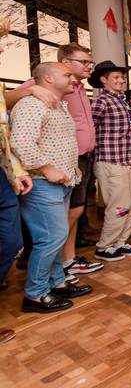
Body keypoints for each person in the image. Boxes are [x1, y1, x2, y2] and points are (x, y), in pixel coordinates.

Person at [7, 43, 103, 278]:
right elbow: (6, 102)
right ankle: (48, 275)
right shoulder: (41, 85)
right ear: (65, 63)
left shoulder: (76, 88)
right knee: (55, 230)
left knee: (75, 212)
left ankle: (64, 266)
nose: (89, 66)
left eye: (90, 62)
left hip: (75, 161)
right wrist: (31, 90)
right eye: (84, 62)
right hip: (48, 170)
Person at [10, 62, 92, 313]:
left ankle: (56, 283)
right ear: (48, 78)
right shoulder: (31, 104)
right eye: (66, 75)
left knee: (55, 238)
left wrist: (72, 168)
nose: (73, 79)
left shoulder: (58, 104)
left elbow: (58, 142)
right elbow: (21, 143)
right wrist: (47, 170)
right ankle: (35, 295)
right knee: (51, 238)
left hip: (62, 182)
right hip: (42, 184)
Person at [88, 61, 131, 262]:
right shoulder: (100, 101)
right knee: (119, 206)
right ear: (104, 80)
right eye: (116, 77)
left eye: (122, 77)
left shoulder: (122, 101)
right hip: (110, 161)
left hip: (127, 160)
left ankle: (120, 242)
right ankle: (104, 246)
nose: (121, 80)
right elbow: (89, 130)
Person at [0, 18, 33, 342]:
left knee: (11, 242)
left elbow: (3, 135)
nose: (1, 50)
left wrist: (17, 170)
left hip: (2, 174)